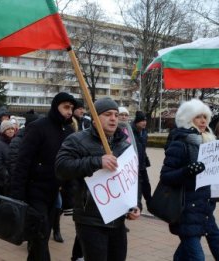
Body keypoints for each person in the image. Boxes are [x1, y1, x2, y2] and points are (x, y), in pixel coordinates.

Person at [55, 97, 140, 261]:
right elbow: (61, 167)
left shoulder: (123, 144)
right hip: (90, 220)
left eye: (116, 114)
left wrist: (134, 204)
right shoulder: (77, 140)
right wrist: (97, 162)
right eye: (108, 114)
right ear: (95, 118)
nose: (114, 118)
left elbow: (133, 178)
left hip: (118, 220)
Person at [10, 92, 78, 261]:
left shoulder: (69, 131)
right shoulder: (38, 127)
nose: (69, 111)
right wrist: (17, 197)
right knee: (40, 238)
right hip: (34, 193)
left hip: (53, 194)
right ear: (56, 107)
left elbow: (68, 165)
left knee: (41, 237)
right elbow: (22, 163)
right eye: (66, 107)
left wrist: (69, 197)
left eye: (72, 108)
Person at [160, 99, 219, 260]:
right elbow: (166, 177)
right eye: (198, 117)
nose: (203, 121)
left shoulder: (210, 142)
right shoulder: (180, 144)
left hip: (205, 209)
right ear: (187, 119)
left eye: (205, 117)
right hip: (186, 210)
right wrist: (188, 171)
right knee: (197, 257)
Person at [132, 111, 152, 209]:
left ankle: (150, 203)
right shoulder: (130, 132)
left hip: (142, 163)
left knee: (146, 184)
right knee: (137, 187)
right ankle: (137, 206)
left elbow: (143, 149)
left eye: (145, 120)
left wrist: (146, 159)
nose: (144, 123)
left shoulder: (144, 132)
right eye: (142, 121)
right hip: (134, 165)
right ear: (136, 122)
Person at [0, 120, 15, 196]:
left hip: (13, 181)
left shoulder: (15, 142)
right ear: (3, 131)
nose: (11, 131)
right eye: (8, 129)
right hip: (2, 182)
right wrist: (7, 175)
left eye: (12, 129)